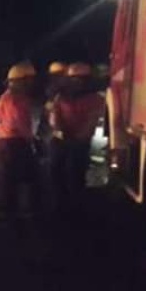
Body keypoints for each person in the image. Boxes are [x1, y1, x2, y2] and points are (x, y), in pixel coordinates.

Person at [48, 62, 105, 210]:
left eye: (80, 79)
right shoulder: (61, 97)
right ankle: (58, 203)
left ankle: (75, 205)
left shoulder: (95, 99)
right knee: (55, 170)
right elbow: (55, 117)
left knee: (76, 172)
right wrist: (60, 132)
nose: (77, 83)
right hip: (62, 140)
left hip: (80, 142)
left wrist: (79, 138)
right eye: (74, 79)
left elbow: (92, 121)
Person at [0, 62, 41, 218]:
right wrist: (32, 141)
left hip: (5, 142)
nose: (31, 84)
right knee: (26, 177)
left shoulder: (6, 96)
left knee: (7, 179)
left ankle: (7, 211)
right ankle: (21, 212)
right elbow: (20, 122)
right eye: (29, 80)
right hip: (15, 143)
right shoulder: (16, 99)